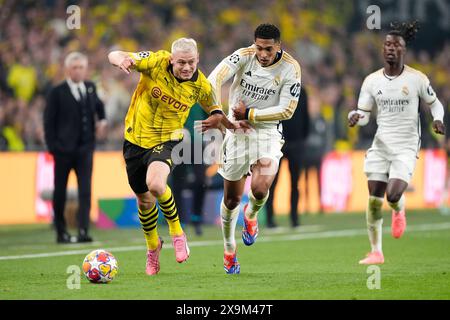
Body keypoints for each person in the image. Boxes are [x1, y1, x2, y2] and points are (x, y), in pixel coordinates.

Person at [108, 38, 240, 276]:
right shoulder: (155, 62)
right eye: (181, 62)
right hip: (134, 141)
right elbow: (115, 53)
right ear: (171, 59)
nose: (187, 67)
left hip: (167, 140)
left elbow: (215, 109)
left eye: (191, 62)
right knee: (144, 201)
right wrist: (123, 60)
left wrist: (222, 121)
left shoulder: (201, 85)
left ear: (197, 60)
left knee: (157, 184)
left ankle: (177, 233)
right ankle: (153, 247)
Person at [348, 21, 445, 265]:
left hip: (406, 145)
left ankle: (399, 209)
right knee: (373, 199)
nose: (390, 48)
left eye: (396, 45)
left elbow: (435, 103)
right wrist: (355, 117)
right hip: (381, 144)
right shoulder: (371, 81)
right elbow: (364, 114)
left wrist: (438, 119)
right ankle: (376, 252)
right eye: (387, 44)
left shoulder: (417, 79)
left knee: (392, 195)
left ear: (404, 50)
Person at [207, 24, 302, 274]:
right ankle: (229, 250)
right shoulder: (244, 55)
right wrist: (218, 111)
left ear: (278, 46)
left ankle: (251, 216)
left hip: (267, 132)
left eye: (269, 49)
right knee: (231, 199)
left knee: (260, 189)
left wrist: (251, 113)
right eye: (259, 47)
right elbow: (213, 79)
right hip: (236, 132)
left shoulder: (291, 68)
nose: (263, 54)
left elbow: (287, 110)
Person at [44, 52, 107, 244]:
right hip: (63, 151)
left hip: (85, 150)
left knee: (85, 191)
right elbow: (49, 122)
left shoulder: (90, 87)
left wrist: (102, 121)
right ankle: (61, 231)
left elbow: (99, 107)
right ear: (67, 69)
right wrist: (54, 148)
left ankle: (83, 230)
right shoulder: (57, 91)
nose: (78, 71)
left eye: (81, 67)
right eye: (74, 67)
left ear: (85, 69)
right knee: (60, 191)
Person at [266, 85, 309, 228]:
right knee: (272, 183)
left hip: (295, 143)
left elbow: (305, 116)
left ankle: (294, 218)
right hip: (277, 142)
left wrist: (302, 140)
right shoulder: (275, 89)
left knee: (294, 183)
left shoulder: (301, 91)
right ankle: (271, 219)